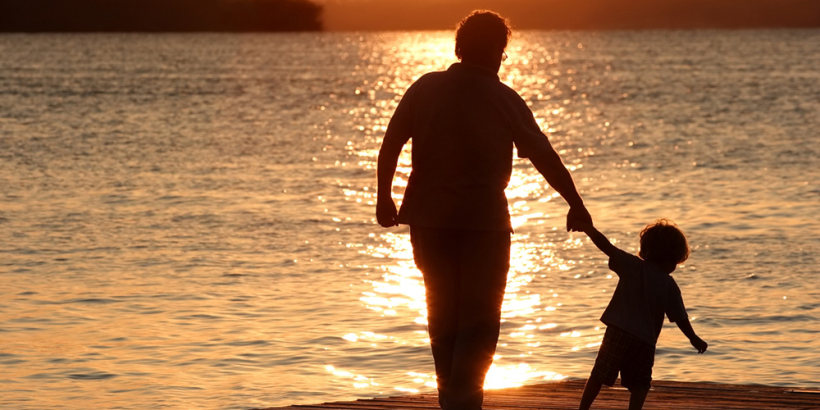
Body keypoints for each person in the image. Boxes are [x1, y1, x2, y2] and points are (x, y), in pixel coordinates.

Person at [376, 10, 591, 410]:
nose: (501, 59)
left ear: (460, 48)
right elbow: (544, 156)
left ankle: (451, 399)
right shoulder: (503, 98)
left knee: (441, 313)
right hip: (483, 225)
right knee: (480, 320)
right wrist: (575, 203)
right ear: (496, 50)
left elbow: (390, 143)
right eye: (502, 51)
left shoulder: (424, 88)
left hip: (430, 220)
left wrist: (383, 196)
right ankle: (464, 401)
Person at [577, 219, 708, 410]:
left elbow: (606, 246)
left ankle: (583, 408)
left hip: (618, 331)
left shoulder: (632, 265)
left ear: (646, 250)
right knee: (640, 384)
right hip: (644, 340)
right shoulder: (668, 285)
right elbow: (680, 317)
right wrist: (693, 338)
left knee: (599, 374)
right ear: (674, 258)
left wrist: (588, 228)